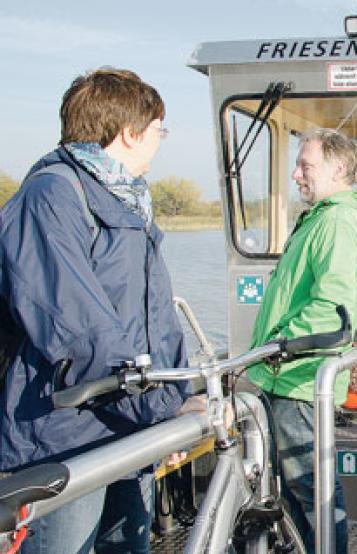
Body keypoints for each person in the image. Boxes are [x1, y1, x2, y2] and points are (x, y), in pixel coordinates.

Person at [0, 68, 199, 553]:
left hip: (125, 429)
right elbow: (75, 328)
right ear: (130, 132)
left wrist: (180, 392)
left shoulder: (128, 204)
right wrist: (162, 409)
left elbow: (154, 318)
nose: (161, 140)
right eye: (158, 130)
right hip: (62, 437)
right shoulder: (51, 196)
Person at [248, 128, 357, 553]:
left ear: (338, 169)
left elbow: (332, 308)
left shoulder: (339, 221)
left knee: (313, 496)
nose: (295, 174)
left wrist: (274, 347)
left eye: (306, 165)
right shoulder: (322, 218)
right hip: (285, 378)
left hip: (297, 379)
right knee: (297, 496)